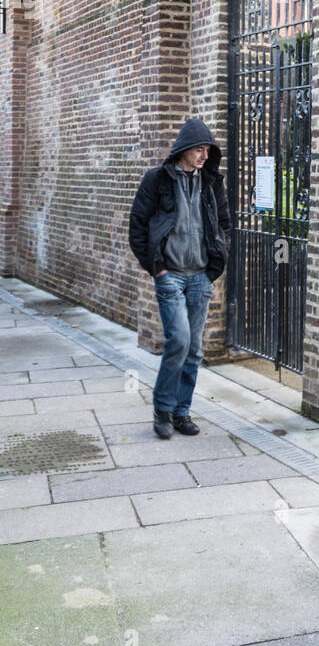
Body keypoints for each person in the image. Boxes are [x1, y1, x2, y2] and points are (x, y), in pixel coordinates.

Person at [128, 117, 231, 438]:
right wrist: (157, 269)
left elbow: (225, 226)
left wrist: (214, 269)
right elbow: (138, 227)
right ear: (184, 149)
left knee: (195, 350)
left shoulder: (212, 184)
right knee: (179, 341)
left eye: (207, 150)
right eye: (199, 149)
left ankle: (181, 413)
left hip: (200, 277)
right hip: (170, 276)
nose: (203, 155)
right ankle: (162, 409)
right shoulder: (157, 180)